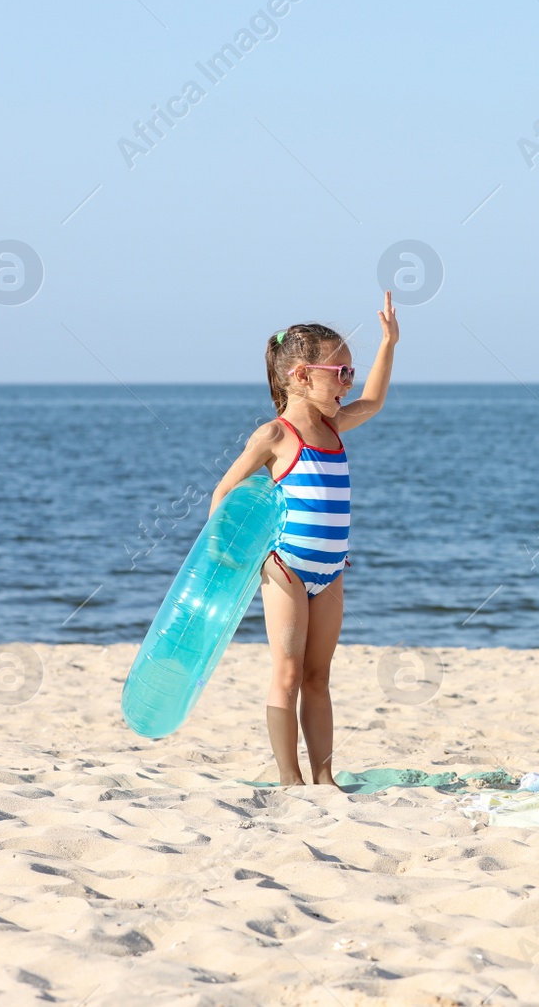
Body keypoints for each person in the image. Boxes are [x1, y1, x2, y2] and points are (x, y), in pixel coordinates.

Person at [212, 292, 399, 788]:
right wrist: (220, 553)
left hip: (332, 569)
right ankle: (290, 778)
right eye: (340, 374)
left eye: (350, 374)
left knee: (319, 678)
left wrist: (389, 343)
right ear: (300, 375)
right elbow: (225, 492)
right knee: (289, 674)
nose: (348, 383)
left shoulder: (335, 426)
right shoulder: (275, 435)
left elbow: (376, 401)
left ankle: (324, 777)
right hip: (286, 566)